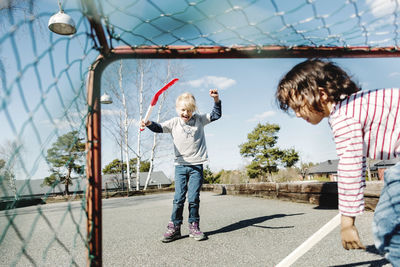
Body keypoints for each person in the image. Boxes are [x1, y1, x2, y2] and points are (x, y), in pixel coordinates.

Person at [275, 59, 400, 265]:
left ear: (321, 95)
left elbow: (351, 167)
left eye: (297, 106)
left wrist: (347, 222)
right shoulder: (357, 104)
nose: (297, 114)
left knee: (388, 226)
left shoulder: (344, 116)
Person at [141, 89, 221, 242]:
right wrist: (149, 123)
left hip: (196, 165)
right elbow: (158, 128)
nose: (186, 113)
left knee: (193, 198)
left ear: (194, 110)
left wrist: (216, 99)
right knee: (178, 199)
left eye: (189, 110)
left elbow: (216, 114)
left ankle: (194, 225)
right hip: (180, 166)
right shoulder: (173, 122)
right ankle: (174, 227)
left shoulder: (199, 120)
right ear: (178, 109)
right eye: (183, 110)